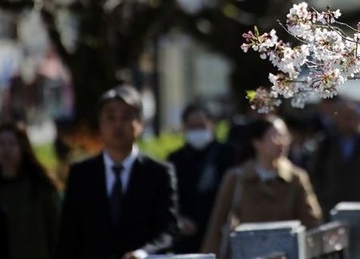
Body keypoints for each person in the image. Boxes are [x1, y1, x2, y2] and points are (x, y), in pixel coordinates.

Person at [55, 84, 178, 259]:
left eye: (126, 117)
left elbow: (168, 231)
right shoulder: (81, 174)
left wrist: (144, 253)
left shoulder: (159, 173)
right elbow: (67, 236)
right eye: (111, 117)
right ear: (100, 123)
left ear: (140, 124)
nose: (118, 125)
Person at [201, 115, 322, 257]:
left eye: (285, 136)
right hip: (249, 253)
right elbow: (218, 224)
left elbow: (312, 221)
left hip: (288, 253)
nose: (282, 142)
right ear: (257, 142)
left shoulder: (296, 178)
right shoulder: (237, 178)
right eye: (275, 137)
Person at [307, 97, 360, 218]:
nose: (348, 121)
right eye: (344, 117)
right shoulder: (326, 143)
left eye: (352, 117)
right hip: (332, 204)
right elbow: (316, 173)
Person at [167, 102, 234, 253]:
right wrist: (178, 220)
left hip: (220, 233)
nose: (198, 132)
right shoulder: (175, 159)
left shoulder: (227, 155)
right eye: (193, 127)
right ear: (184, 127)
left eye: (202, 126)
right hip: (187, 238)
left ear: (211, 125)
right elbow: (167, 197)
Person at [0, 121, 60, 259]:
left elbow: (55, 234)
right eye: (1, 144)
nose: (6, 150)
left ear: (22, 148)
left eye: (11, 144)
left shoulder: (39, 188)